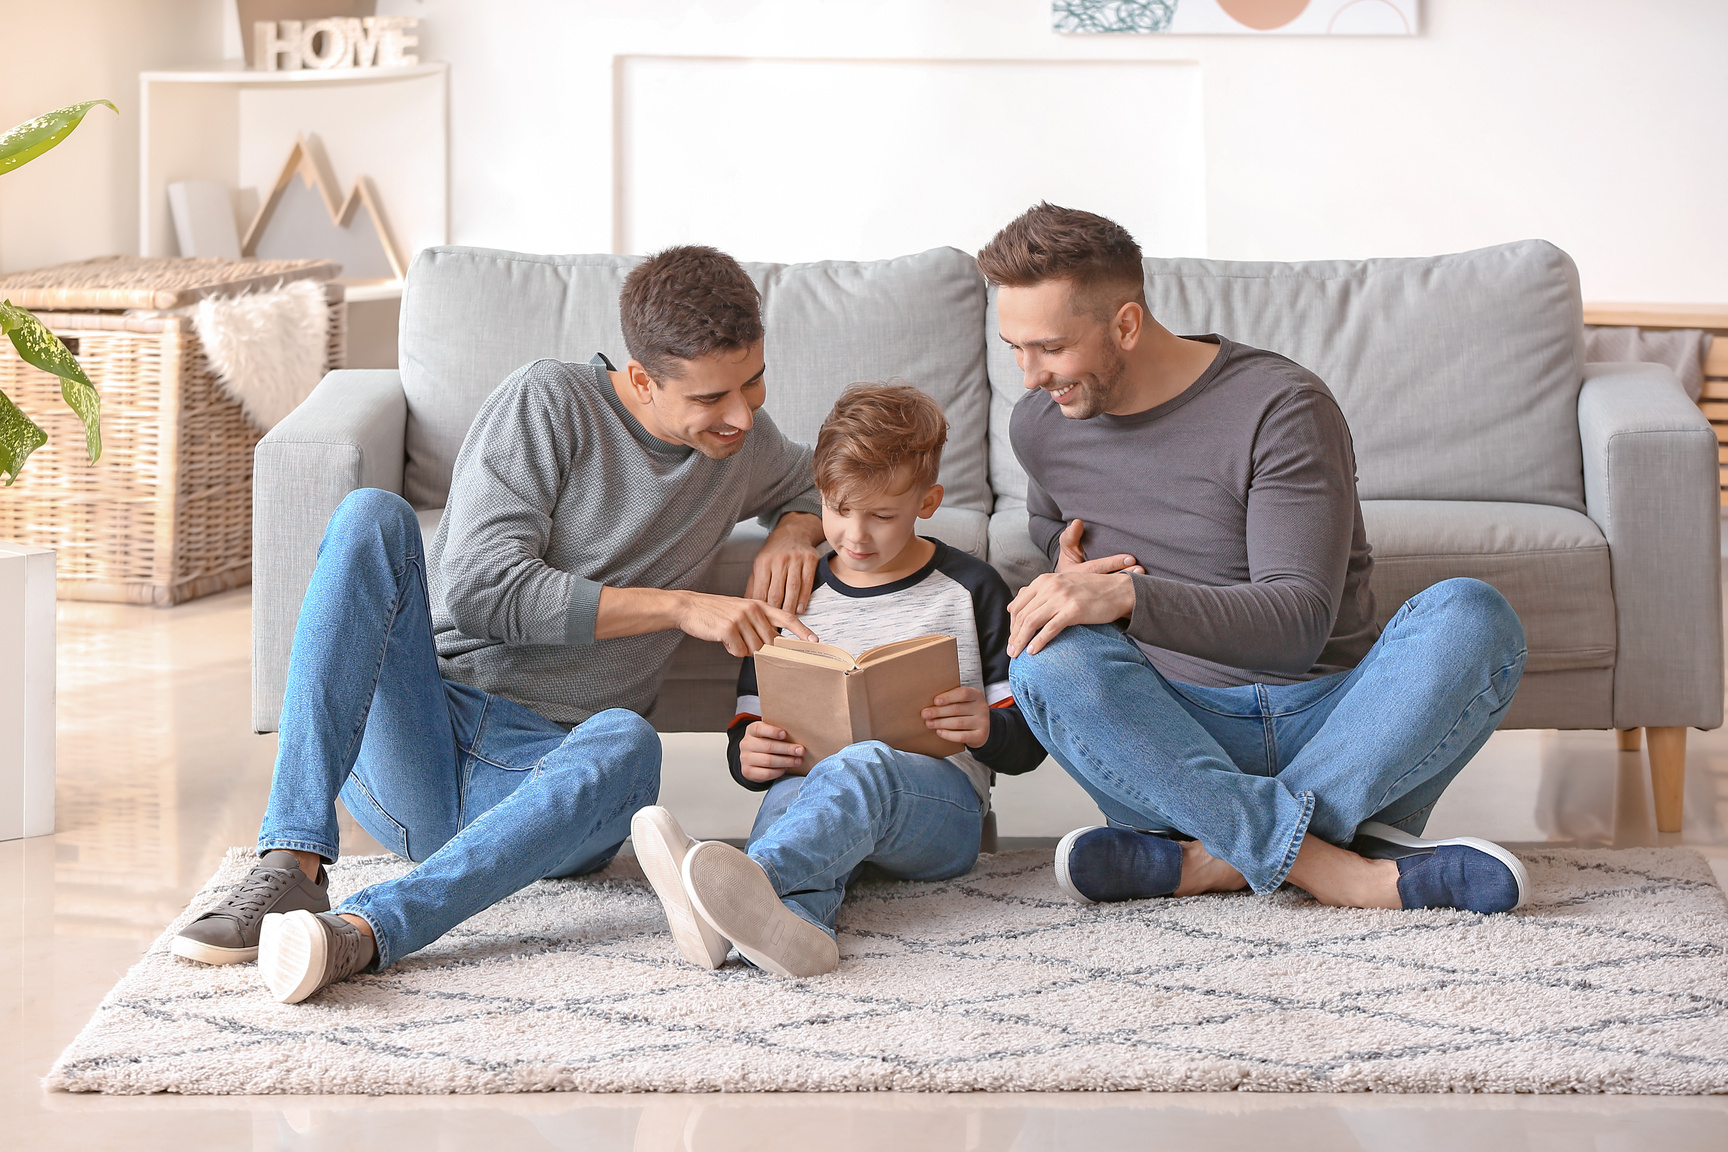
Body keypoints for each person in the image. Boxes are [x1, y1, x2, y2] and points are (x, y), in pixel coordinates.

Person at [171, 246, 832, 1002]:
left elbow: (820, 476)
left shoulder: (740, 445)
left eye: (755, 382)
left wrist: (795, 528)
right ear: (643, 380)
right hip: (428, 739)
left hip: (550, 777)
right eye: (714, 397)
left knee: (627, 741)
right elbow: (484, 590)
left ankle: (366, 933)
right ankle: (293, 863)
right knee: (368, 517)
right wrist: (681, 605)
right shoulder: (548, 403)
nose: (743, 414)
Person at [981, 203, 1530, 915]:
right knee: (1044, 658)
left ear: (1125, 324)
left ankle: (1211, 857)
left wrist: (1128, 600)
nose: (1028, 376)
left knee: (1472, 616)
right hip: (1174, 738)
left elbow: (1296, 622)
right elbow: (1053, 527)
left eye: (1049, 348)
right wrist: (1065, 567)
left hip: (1333, 723)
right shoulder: (1043, 425)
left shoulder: (1281, 406)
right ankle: (1338, 864)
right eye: (1015, 348)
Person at [632, 383, 1045, 977]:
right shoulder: (795, 597)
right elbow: (751, 724)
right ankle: (795, 931)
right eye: (837, 509)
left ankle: (724, 890)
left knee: (864, 764)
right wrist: (749, 755)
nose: (854, 535)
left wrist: (986, 727)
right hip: (821, 803)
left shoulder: (971, 588)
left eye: (881, 516)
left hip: (941, 815)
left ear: (928, 502)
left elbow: (1026, 744)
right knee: (791, 794)